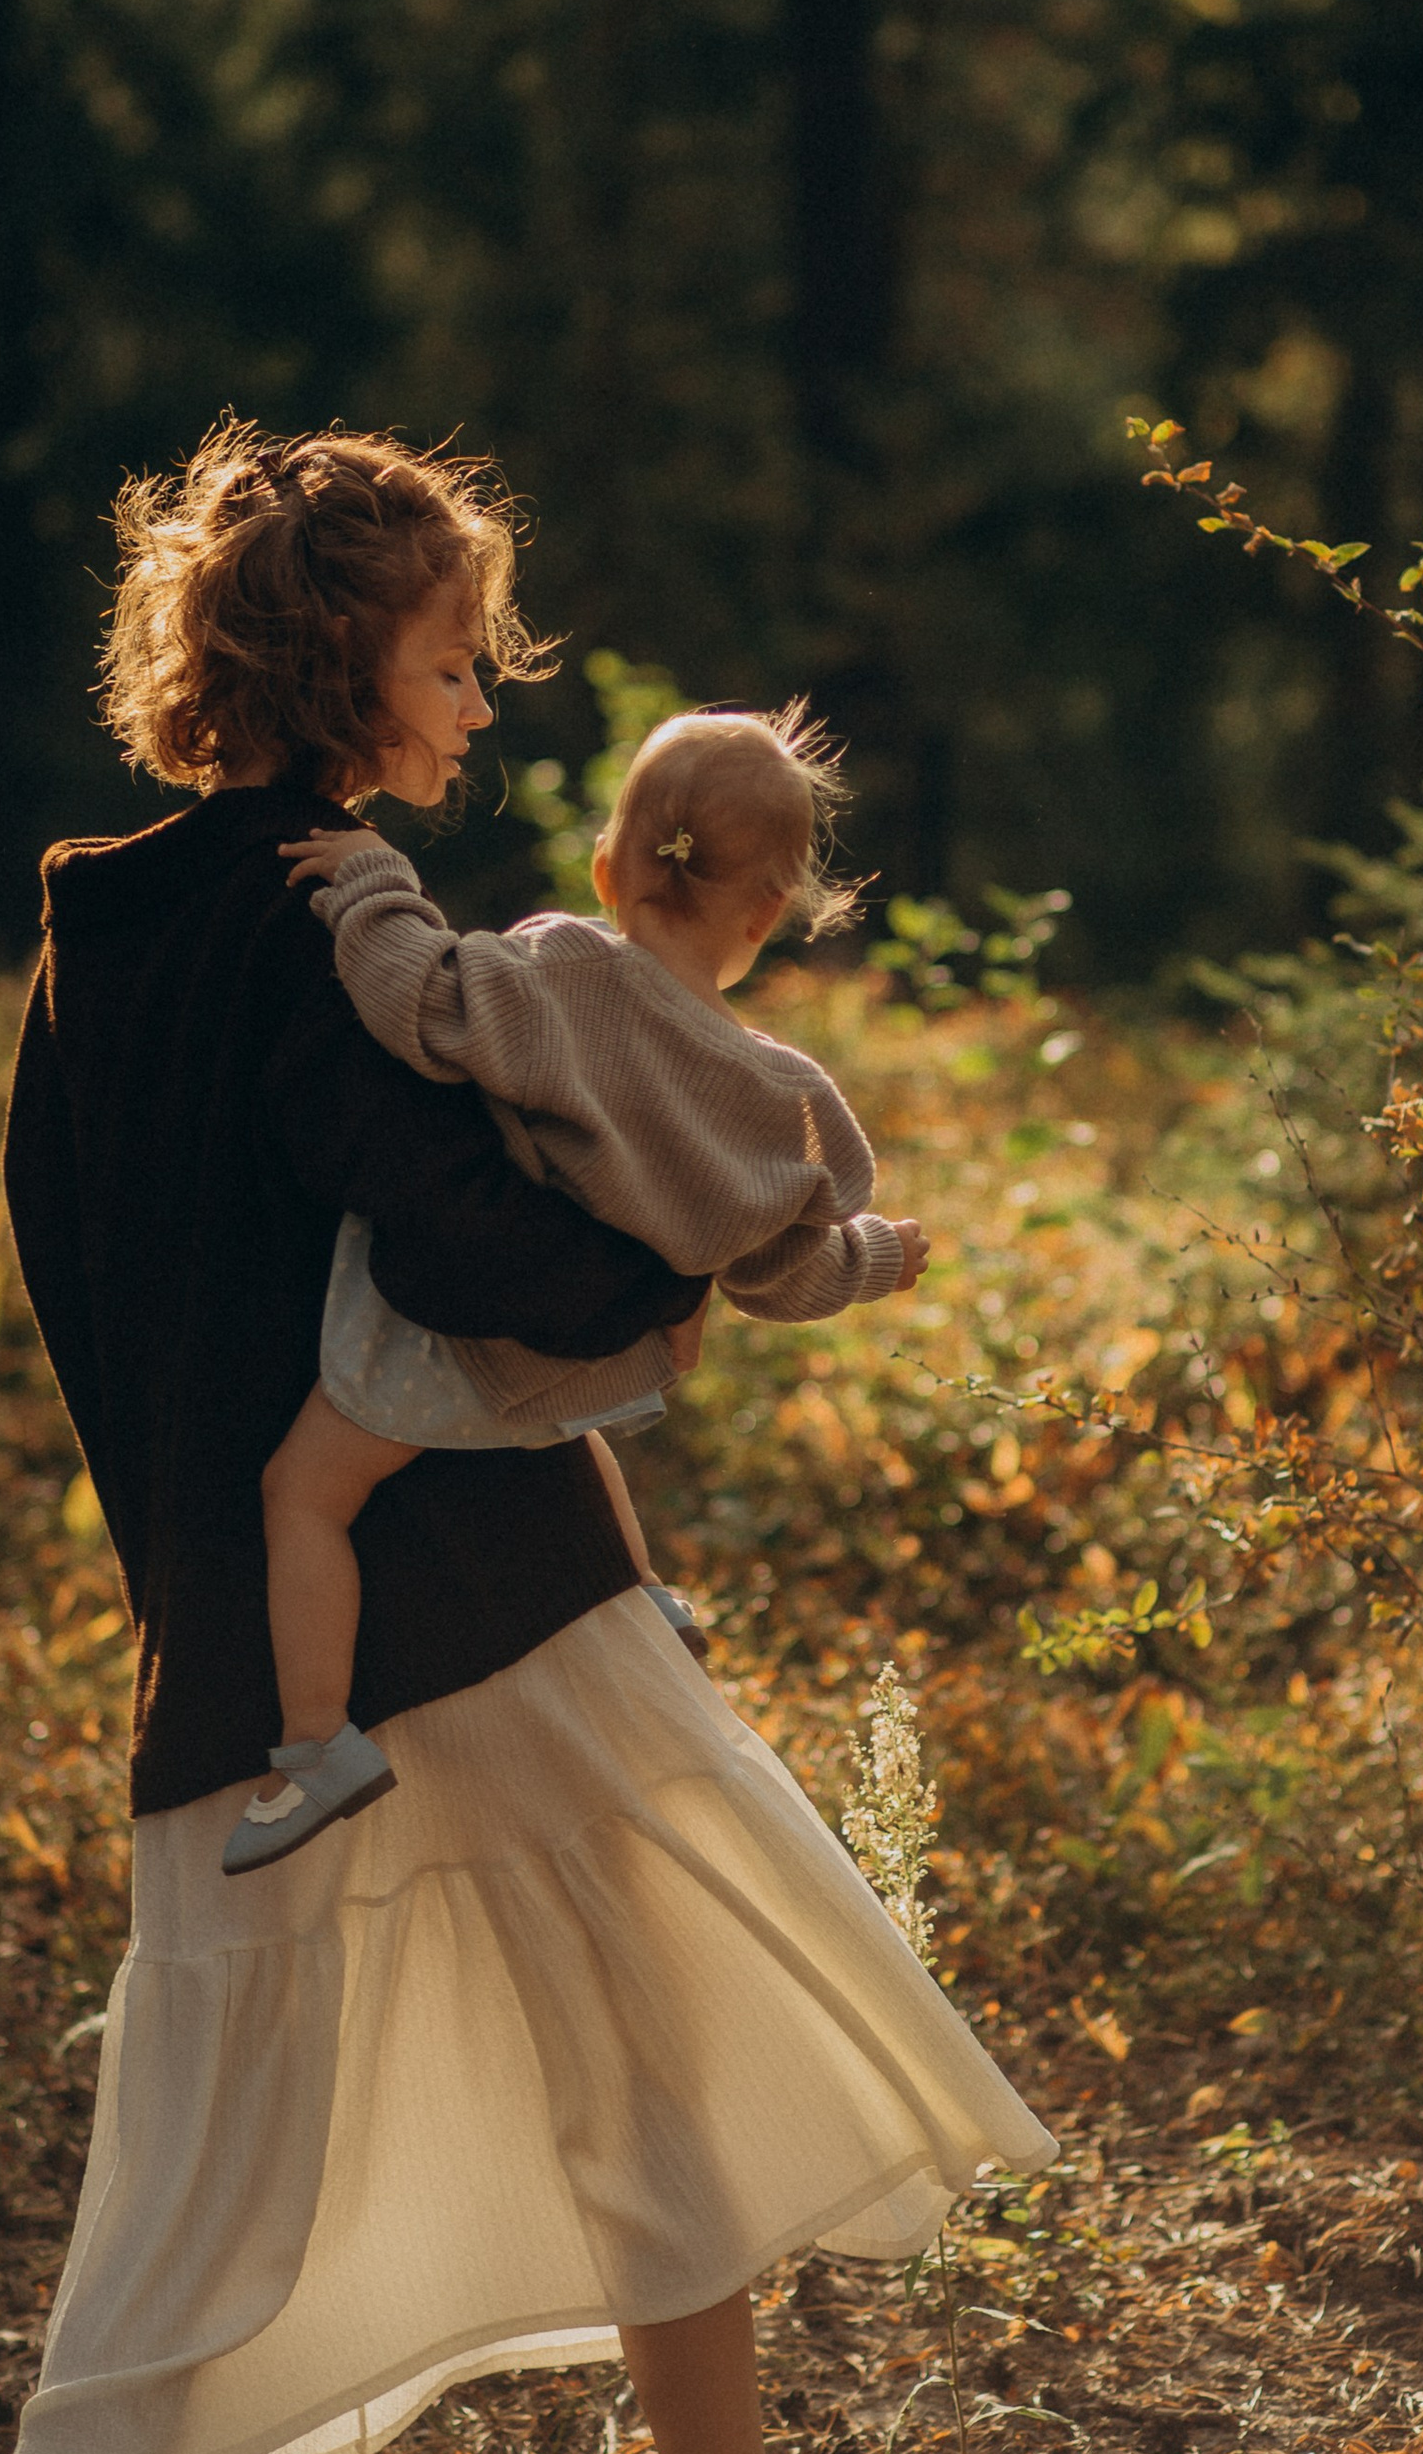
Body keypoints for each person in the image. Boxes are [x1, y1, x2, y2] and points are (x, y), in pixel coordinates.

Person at [0, 416, 1055, 2454]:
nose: (480, 700)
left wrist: (208, 1593)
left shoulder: (94, 950)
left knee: (186, 2154)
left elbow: (93, 1302)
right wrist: (700, 1273)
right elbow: (454, 1235)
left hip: (265, 1632)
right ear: (346, 658)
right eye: (456, 655)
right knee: (653, 2068)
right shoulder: (319, 911)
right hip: (488, 1593)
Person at [232, 702, 931, 1875]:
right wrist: (878, 1257)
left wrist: (370, 879)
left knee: (302, 1494)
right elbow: (783, 1273)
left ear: (611, 864)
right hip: (593, 1365)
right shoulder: (773, 1095)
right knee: (570, 1425)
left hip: (459, 1328)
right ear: (765, 913)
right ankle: (646, 1593)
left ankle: (316, 1743)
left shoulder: (560, 972)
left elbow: (420, 997)